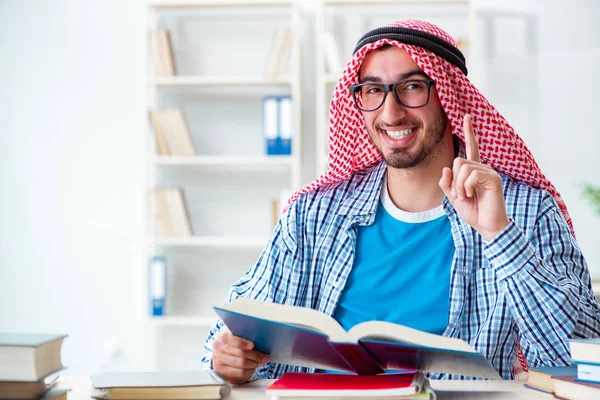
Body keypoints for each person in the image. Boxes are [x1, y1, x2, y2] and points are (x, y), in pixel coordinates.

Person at [201, 19, 600, 384]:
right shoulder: (313, 215)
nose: (390, 113)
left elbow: (578, 360)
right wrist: (228, 357)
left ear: (449, 96)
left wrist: (499, 235)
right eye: (373, 90)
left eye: (411, 87)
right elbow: (230, 334)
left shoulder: (527, 212)